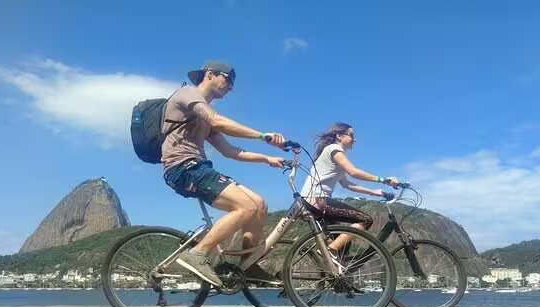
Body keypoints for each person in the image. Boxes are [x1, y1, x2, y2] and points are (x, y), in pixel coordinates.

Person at [162, 61, 287, 287]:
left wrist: (267, 158)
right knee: (246, 206)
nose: (230, 87)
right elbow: (218, 120)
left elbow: (230, 151)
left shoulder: (204, 116)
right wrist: (262, 135)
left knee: (259, 204)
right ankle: (198, 254)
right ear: (210, 74)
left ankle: (247, 264)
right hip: (183, 167)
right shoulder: (187, 94)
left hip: (199, 167)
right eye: (228, 80)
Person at [300, 122, 399, 254]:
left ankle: (329, 265)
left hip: (312, 201)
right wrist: (383, 180)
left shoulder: (335, 157)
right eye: (351, 135)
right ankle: (329, 251)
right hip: (316, 200)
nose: (355, 139)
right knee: (365, 220)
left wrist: (374, 192)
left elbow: (348, 185)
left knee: (344, 245)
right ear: (339, 136)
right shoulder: (334, 149)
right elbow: (354, 172)